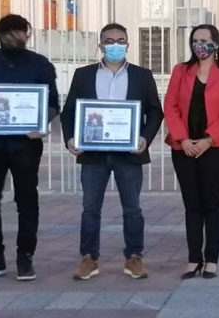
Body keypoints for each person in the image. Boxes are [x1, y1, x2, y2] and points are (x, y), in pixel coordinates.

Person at [62, 22, 164, 281]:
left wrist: (145, 138)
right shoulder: (83, 75)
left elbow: (155, 111)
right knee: (90, 207)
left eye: (120, 40)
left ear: (128, 45)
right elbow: (70, 112)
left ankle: (134, 257)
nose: (115, 45)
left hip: (129, 153)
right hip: (93, 153)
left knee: (132, 208)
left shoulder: (142, 76)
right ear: (100, 45)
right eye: (109, 41)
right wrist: (70, 139)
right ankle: (89, 258)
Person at [0, 14, 59, 281]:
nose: (16, 38)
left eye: (21, 33)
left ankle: (25, 256)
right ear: (0, 34)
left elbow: (53, 103)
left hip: (25, 143)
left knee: (27, 200)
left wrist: (42, 124)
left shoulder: (40, 64)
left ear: (27, 34)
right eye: (10, 34)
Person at [165, 24, 219, 280]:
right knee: (191, 204)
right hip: (183, 147)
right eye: (196, 40)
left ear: (215, 43)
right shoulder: (181, 71)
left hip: (214, 148)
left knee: (211, 203)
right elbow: (171, 106)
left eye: (205, 40)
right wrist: (182, 138)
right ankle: (193, 258)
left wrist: (208, 139)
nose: (200, 45)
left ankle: (212, 259)